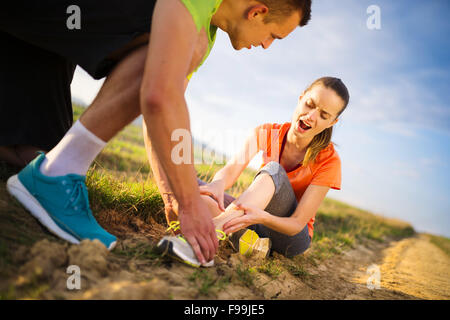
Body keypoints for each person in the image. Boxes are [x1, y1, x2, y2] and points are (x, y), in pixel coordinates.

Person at [3, 0, 312, 266]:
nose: (267, 46)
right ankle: (57, 173)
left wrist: (173, 194)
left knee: (27, 151)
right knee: (174, 44)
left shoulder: (206, 28)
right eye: (274, 36)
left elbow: (162, 111)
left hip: (32, 38)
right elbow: (159, 96)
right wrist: (189, 204)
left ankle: (52, 167)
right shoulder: (194, 26)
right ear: (257, 12)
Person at [157, 76, 349, 266]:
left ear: (332, 122)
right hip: (253, 218)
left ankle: (205, 238)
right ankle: (250, 242)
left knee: (274, 170)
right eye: (309, 104)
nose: (311, 116)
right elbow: (231, 171)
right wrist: (218, 184)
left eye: (324, 115)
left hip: (290, 237)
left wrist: (262, 216)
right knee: (189, 186)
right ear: (301, 98)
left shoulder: (330, 161)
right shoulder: (266, 132)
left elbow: (296, 224)